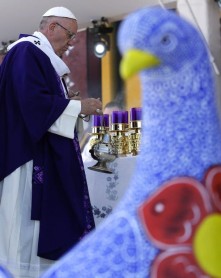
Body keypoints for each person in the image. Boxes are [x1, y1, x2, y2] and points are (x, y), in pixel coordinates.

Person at [0, 6, 102, 278]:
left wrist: (69, 104)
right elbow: (32, 104)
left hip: (39, 152)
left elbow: (45, 105)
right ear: (51, 27)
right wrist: (78, 107)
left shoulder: (42, 58)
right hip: (27, 158)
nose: (71, 43)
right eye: (69, 35)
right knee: (23, 232)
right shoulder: (26, 51)